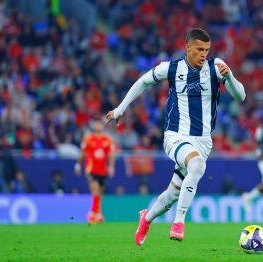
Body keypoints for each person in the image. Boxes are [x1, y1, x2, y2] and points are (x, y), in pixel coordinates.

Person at [105, 28, 245, 245]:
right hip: (175, 135)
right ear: (187, 47)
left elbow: (241, 96)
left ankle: (147, 218)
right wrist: (121, 108)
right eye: (199, 49)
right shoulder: (171, 68)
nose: (203, 54)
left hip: (203, 140)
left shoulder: (216, 68)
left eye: (206, 50)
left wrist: (230, 76)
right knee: (197, 166)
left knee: (172, 194)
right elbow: (142, 82)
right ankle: (179, 223)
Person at [74, 120, 116, 224]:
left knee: (100, 193)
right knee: (95, 190)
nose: (98, 126)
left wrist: (111, 166)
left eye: (99, 124)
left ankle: (93, 213)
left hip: (102, 170)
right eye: (96, 124)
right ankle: (97, 214)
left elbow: (111, 154)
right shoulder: (88, 139)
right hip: (91, 169)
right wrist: (78, 164)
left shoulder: (108, 139)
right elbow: (83, 153)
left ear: (102, 126)